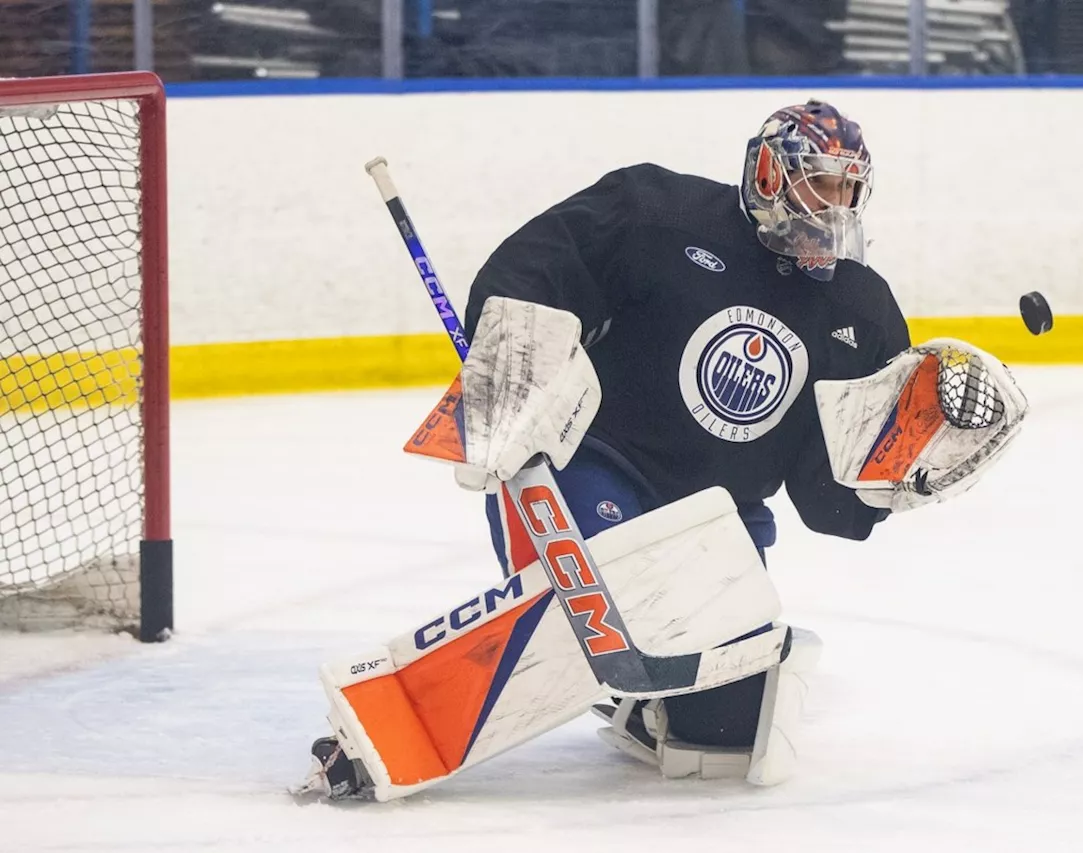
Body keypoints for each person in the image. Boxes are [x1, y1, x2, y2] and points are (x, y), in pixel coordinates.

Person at [302, 99, 1025, 799]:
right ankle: (383, 726)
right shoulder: (656, 212)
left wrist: (896, 476)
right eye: (819, 181)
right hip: (588, 469)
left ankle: (637, 706)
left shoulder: (862, 312)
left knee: (727, 732)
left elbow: (826, 497)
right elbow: (528, 270)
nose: (834, 205)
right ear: (769, 176)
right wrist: (516, 365)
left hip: (716, 525)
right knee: (611, 598)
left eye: (848, 187)